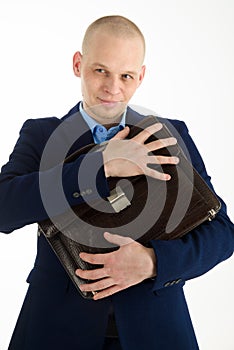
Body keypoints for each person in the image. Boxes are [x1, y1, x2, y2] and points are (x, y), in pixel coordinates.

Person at [0, 15, 233, 350]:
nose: (113, 87)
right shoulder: (42, 134)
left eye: (125, 75)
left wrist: (154, 261)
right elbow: (4, 209)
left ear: (140, 76)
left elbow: (222, 232)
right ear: (78, 64)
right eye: (100, 70)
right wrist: (99, 166)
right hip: (54, 329)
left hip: (158, 330)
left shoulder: (170, 134)